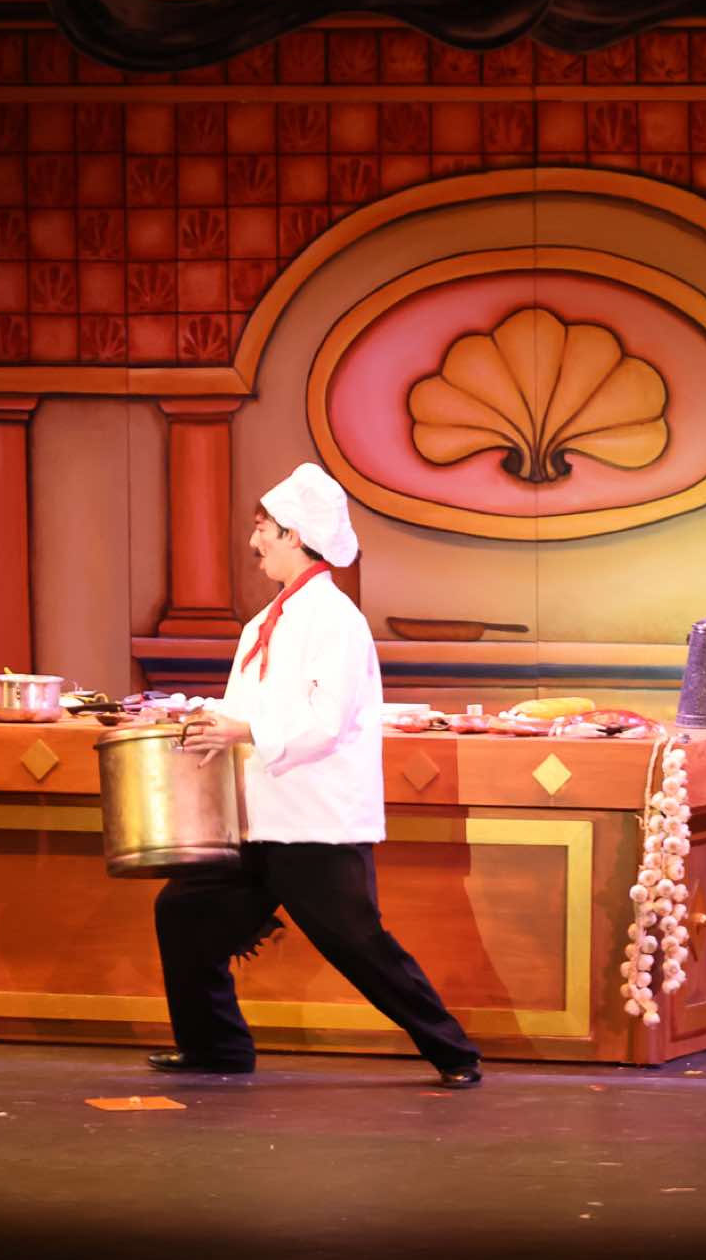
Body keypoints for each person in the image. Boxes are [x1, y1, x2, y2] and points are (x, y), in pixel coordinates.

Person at [149, 462, 483, 1088]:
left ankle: (453, 1052)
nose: (254, 541)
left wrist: (242, 730)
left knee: (358, 944)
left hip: (315, 821)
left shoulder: (335, 619)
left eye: (263, 528)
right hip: (259, 816)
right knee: (185, 911)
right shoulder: (262, 623)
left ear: (294, 535)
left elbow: (325, 722)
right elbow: (248, 709)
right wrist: (207, 724)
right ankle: (216, 1048)